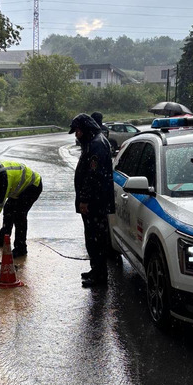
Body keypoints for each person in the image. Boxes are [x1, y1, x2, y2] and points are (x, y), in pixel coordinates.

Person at [69, 113, 115, 287]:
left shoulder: (96, 145)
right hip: (96, 201)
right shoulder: (94, 143)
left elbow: (92, 176)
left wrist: (85, 200)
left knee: (96, 240)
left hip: (95, 203)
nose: (76, 135)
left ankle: (100, 277)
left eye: (78, 131)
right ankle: (95, 270)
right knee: (92, 238)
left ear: (86, 129)